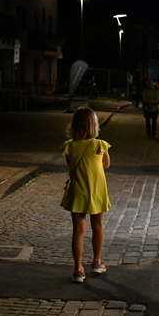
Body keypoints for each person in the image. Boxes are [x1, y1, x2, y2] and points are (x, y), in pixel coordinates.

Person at [60, 107, 111, 283]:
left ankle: (78, 269)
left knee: (78, 231)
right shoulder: (100, 145)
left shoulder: (70, 146)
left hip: (77, 191)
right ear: (94, 125)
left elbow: (70, 166)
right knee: (98, 226)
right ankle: (96, 261)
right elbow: (106, 165)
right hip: (96, 190)